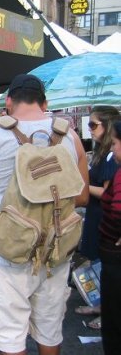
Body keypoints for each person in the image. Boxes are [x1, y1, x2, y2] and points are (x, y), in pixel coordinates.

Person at [0, 74, 89, 355]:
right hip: (55, 251)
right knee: (49, 330)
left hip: (8, 254)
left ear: (8, 102)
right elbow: (81, 196)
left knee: (10, 337)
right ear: (44, 103)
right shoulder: (69, 135)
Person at [75, 106, 120, 328]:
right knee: (97, 262)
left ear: (107, 125)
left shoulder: (111, 157)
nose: (90, 129)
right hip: (96, 215)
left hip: (105, 217)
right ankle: (101, 306)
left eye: (93, 124)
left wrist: (81, 187)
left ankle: (108, 313)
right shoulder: (102, 153)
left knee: (106, 267)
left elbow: (107, 193)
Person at [99, 119, 121, 355]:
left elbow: (117, 209)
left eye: (115, 143)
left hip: (115, 257)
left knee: (114, 323)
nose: (113, 148)